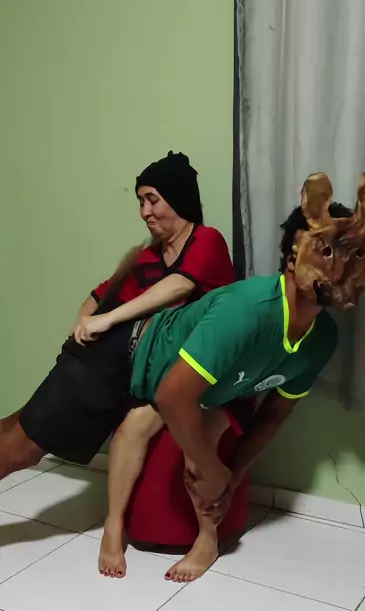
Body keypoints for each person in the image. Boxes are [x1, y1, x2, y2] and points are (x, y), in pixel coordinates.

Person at [100, 170, 365, 583]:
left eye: (353, 256)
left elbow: (275, 414)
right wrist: (214, 472)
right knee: (136, 426)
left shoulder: (323, 337)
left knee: (205, 444)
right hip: (173, 369)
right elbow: (174, 393)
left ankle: (207, 540)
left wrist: (230, 477)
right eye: (327, 252)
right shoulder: (248, 310)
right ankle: (112, 525)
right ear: (293, 258)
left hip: (228, 390)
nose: (339, 267)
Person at [0, 150, 235, 481]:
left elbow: (179, 285)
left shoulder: (207, 240)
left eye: (152, 200)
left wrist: (107, 320)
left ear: (178, 198)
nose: (145, 212)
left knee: (26, 443)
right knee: (35, 408)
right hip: (121, 363)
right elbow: (100, 294)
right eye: (140, 201)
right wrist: (81, 325)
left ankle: (22, 446)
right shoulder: (149, 257)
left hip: (178, 366)